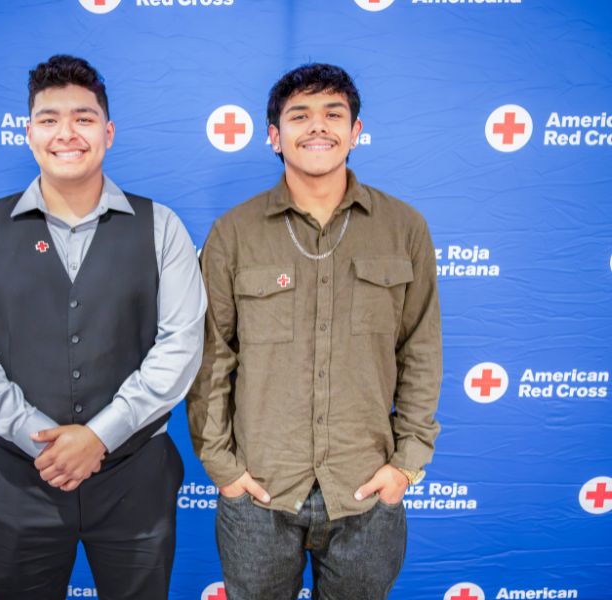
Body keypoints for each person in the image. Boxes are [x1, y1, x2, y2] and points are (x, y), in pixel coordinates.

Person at [0, 55, 205, 600]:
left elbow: (180, 344)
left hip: (137, 481)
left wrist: (99, 437)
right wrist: (46, 444)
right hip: (19, 481)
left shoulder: (163, 227)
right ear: (29, 132)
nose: (67, 133)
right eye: (49, 118)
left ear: (107, 132)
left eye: (83, 118)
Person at [186, 63, 442, 600]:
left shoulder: (405, 228)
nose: (318, 126)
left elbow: (420, 350)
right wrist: (223, 468)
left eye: (333, 114)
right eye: (299, 115)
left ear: (356, 131)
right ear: (275, 136)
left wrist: (406, 463)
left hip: (367, 490)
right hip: (259, 492)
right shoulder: (233, 234)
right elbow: (212, 356)